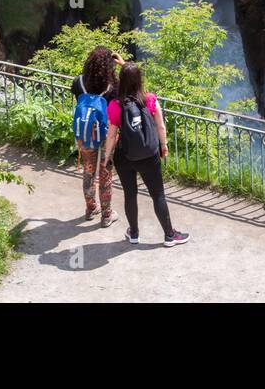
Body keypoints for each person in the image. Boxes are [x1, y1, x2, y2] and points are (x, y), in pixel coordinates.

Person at [102, 63, 189, 247]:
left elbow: (111, 135)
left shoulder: (116, 105)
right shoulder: (150, 100)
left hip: (124, 156)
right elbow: (160, 126)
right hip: (149, 156)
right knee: (158, 195)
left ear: (122, 81)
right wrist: (163, 146)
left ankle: (134, 233)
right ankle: (169, 235)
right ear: (140, 79)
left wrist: (107, 156)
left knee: (130, 194)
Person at [71, 47, 119, 224]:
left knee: (88, 170)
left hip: (85, 132)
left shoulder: (78, 83)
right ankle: (107, 215)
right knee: (105, 173)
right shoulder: (113, 87)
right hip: (107, 134)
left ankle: (91, 208)